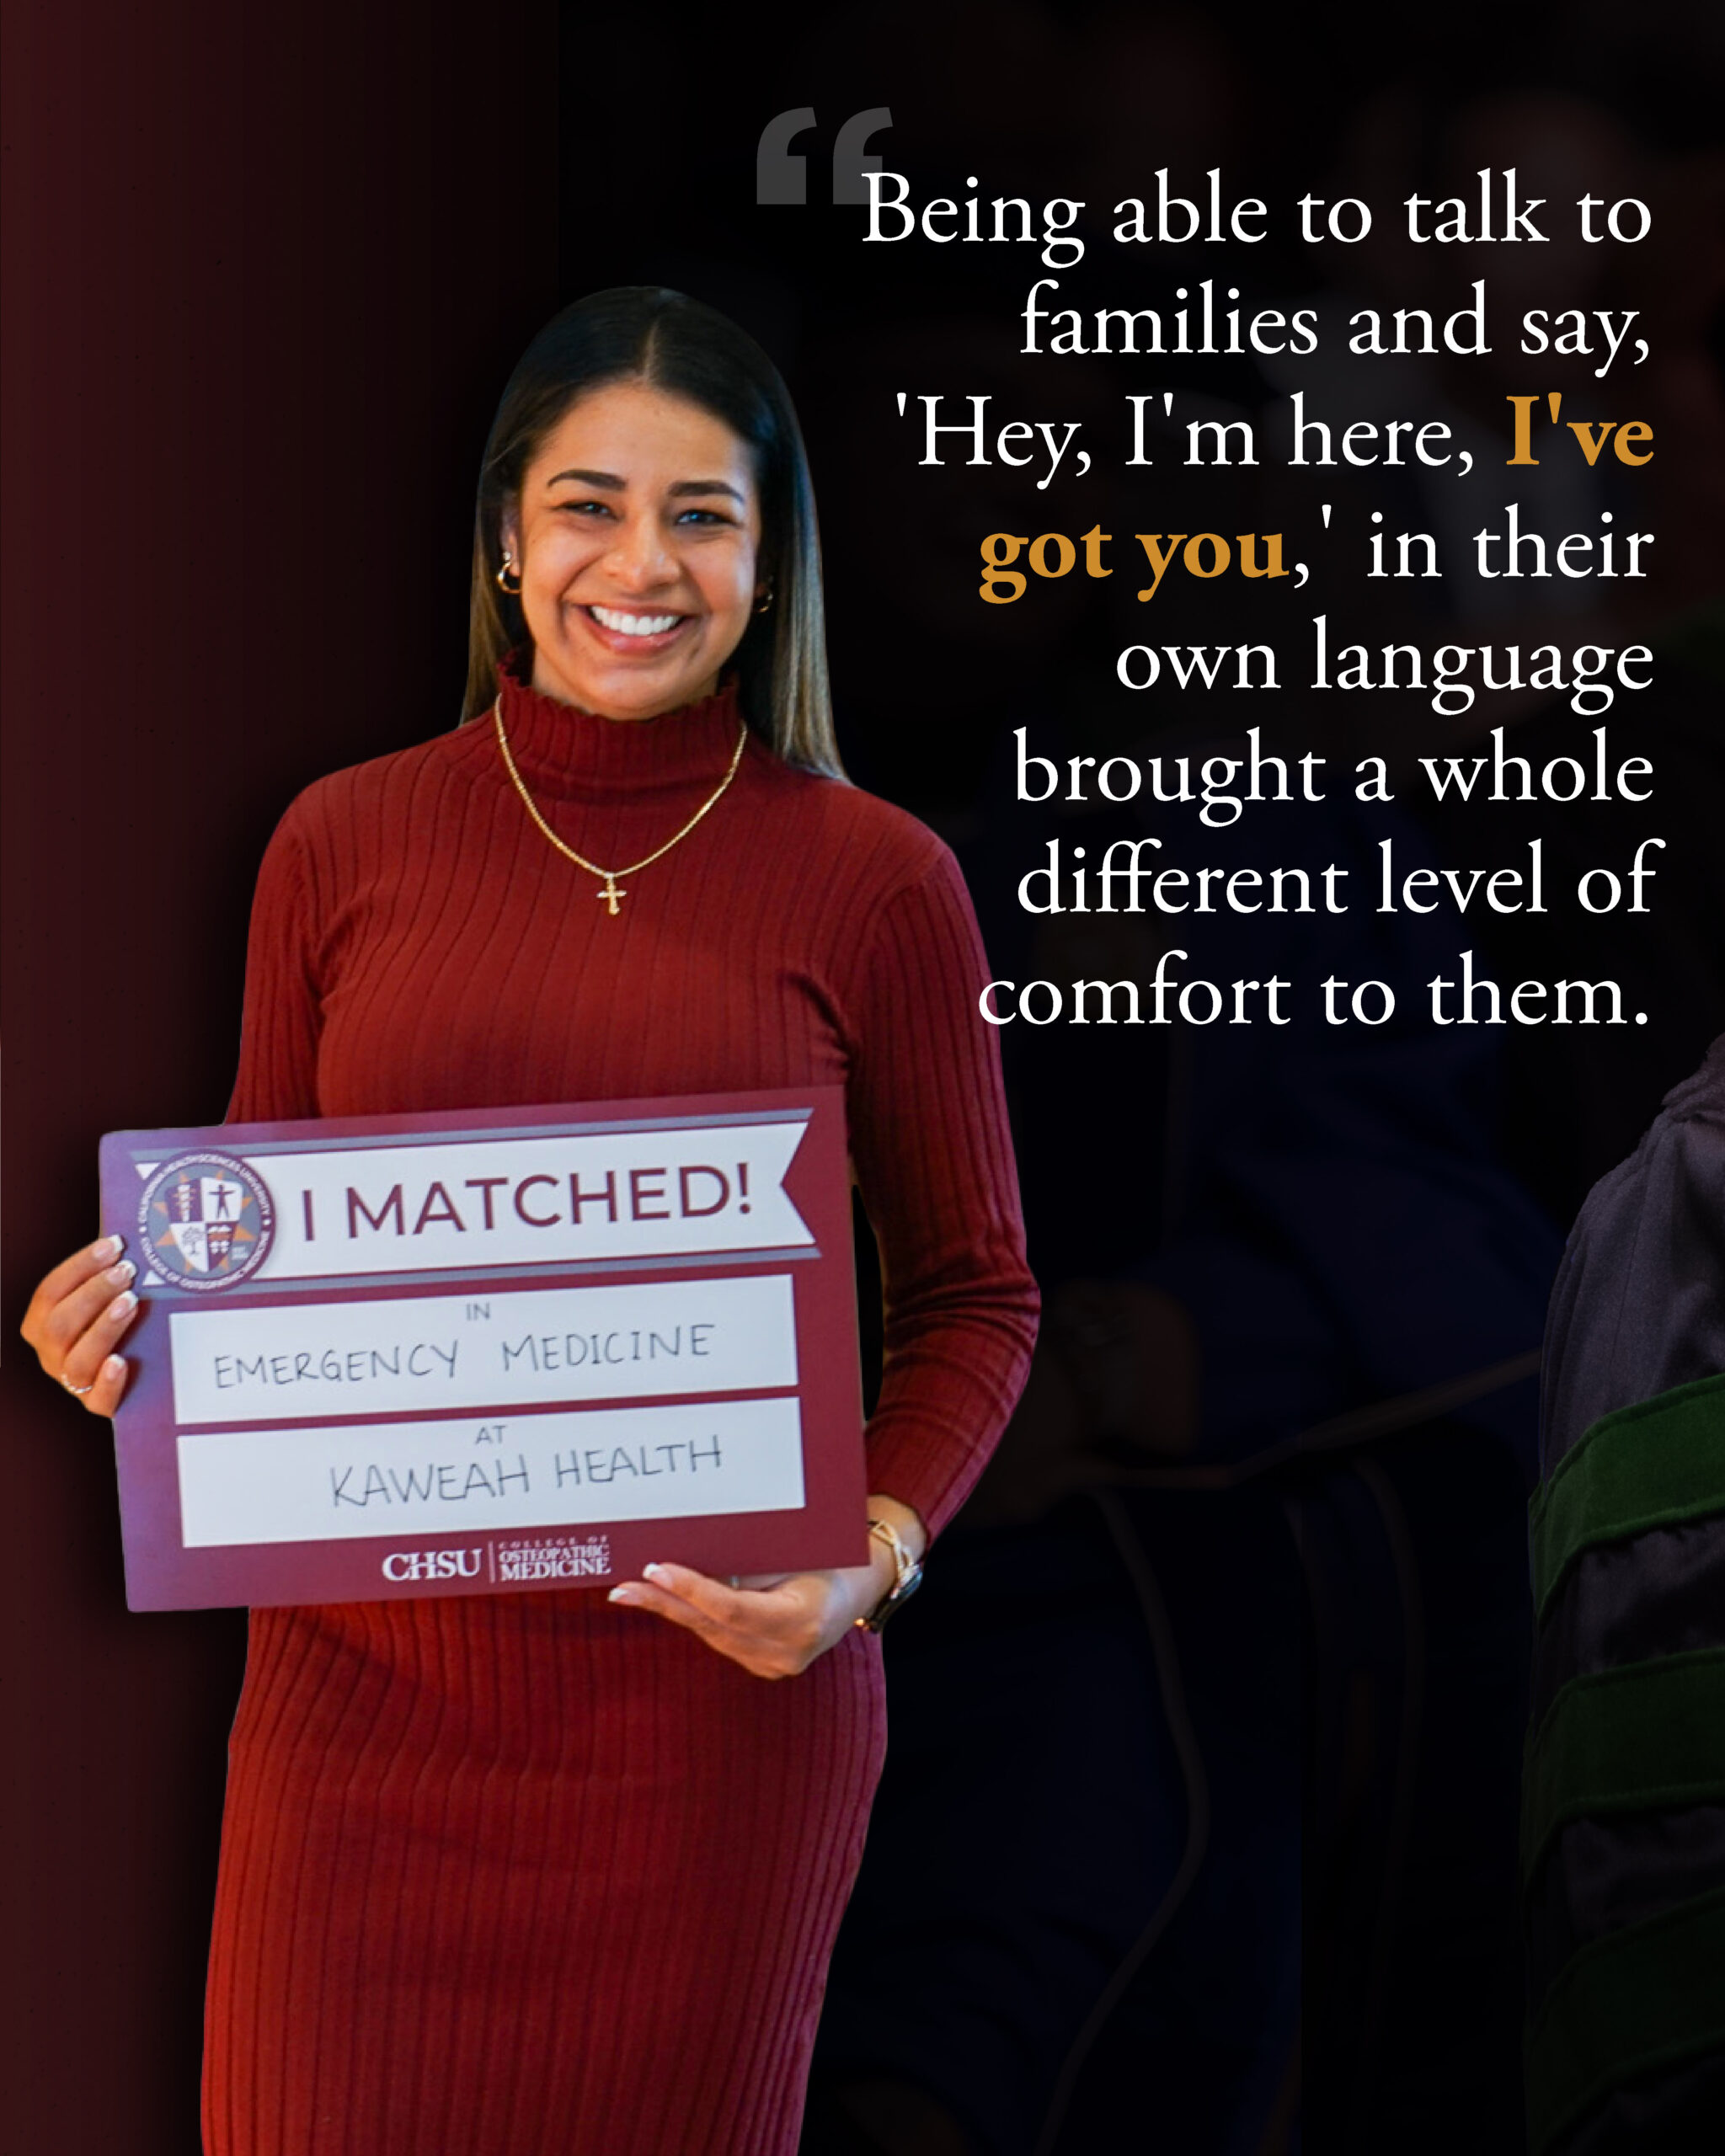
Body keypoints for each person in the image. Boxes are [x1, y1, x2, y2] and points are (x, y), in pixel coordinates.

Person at [20, 286, 1039, 2156]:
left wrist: (868, 1558)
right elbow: (244, 1247)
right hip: (354, 1747)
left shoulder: (882, 878)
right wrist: (122, 1332)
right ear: (504, 538)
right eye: (586, 503)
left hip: (712, 1755)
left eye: (702, 514)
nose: (637, 563)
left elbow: (977, 1294)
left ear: (769, 554)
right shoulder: (337, 842)